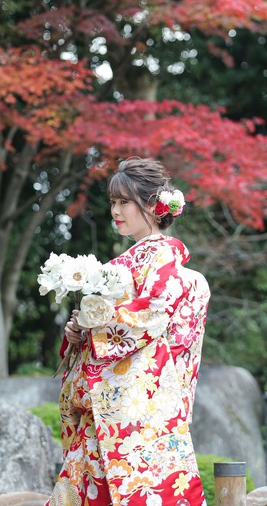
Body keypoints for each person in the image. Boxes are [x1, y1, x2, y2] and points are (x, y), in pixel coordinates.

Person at [47, 157, 211, 506]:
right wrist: (78, 329)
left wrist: (95, 326)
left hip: (138, 408)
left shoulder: (163, 256)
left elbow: (152, 315)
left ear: (153, 205)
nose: (115, 211)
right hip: (106, 404)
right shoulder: (122, 262)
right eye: (112, 202)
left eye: (124, 202)